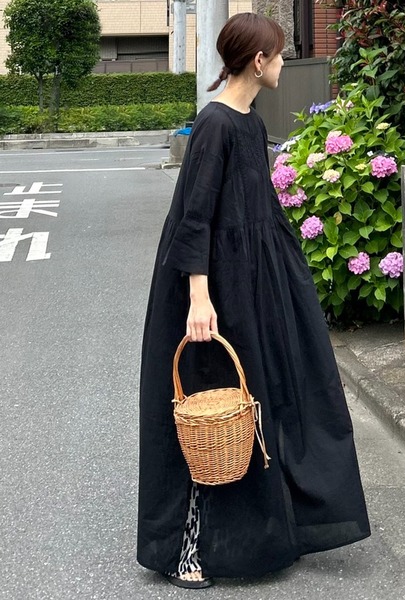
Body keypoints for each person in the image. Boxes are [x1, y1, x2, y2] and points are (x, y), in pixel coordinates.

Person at [137, 12, 371, 590]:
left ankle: (266, 530)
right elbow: (194, 217)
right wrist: (198, 297)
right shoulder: (215, 123)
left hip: (255, 282)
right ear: (259, 60)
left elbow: (256, 209)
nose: (285, 61)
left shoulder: (248, 120)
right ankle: (185, 548)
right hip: (214, 288)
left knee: (261, 399)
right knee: (212, 403)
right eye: (279, 53)